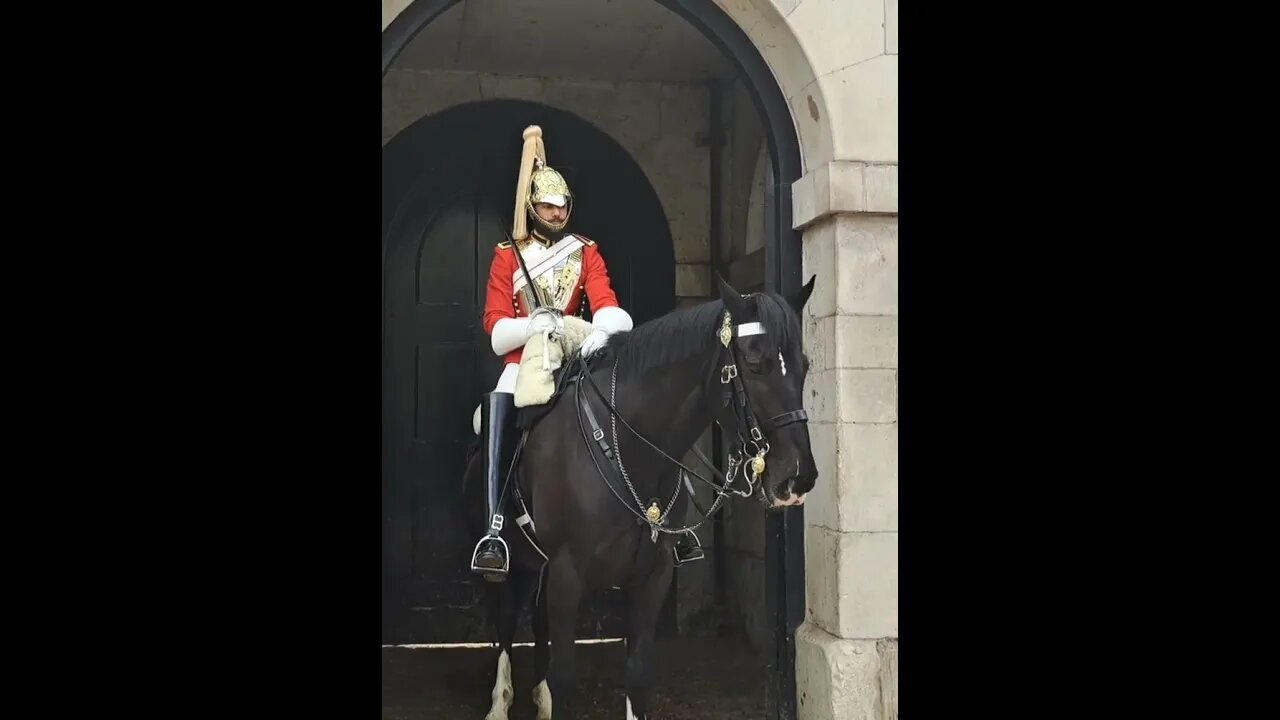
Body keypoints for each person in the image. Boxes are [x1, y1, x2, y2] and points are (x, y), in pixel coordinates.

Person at [470, 125, 634, 581]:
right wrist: (533, 326)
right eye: (547, 206)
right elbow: (496, 327)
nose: (557, 213)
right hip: (522, 360)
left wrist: (602, 331)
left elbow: (605, 301)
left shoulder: (585, 252)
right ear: (532, 207)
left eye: (563, 206)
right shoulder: (508, 256)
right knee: (497, 410)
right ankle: (495, 529)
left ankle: (657, 518)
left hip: (574, 352)